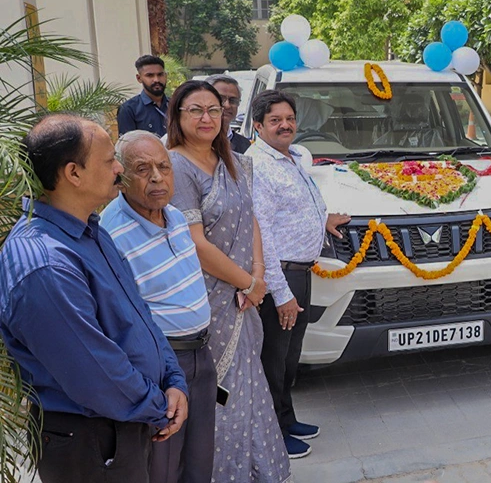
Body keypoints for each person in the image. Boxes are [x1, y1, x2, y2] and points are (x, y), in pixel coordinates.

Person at [0, 115, 188, 483]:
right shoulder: (44, 262)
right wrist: (159, 405)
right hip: (91, 439)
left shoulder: (90, 231)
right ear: (73, 173)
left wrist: (173, 380)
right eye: (109, 160)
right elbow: (94, 371)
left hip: (126, 421)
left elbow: (140, 316)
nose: (119, 168)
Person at [166, 81, 291, 481]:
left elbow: (251, 217)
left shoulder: (236, 161)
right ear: (178, 117)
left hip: (244, 295)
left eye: (214, 110)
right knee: (220, 397)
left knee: (251, 385)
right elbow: (195, 242)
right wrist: (248, 284)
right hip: (209, 300)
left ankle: (259, 470)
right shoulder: (175, 166)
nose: (206, 118)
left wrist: (258, 273)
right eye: (195, 110)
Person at [99, 131, 216, 483]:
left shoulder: (176, 216)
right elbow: (117, 320)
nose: (157, 177)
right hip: (160, 366)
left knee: (199, 460)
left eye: (164, 167)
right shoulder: (110, 233)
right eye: (142, 168)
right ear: (120, 175)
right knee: (162, 466)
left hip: (200, 355)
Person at [249, 90, 351, 459]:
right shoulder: (258, 165)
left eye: (289, 118)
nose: (285, 125)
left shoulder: (289, 158)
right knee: (274, 358)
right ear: (258, 125)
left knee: (290, 357)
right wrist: (281, 293)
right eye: (275, 120)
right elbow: (261, 232)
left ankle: (287, 419)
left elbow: (289, 213)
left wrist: (322, 221)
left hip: (300, 271)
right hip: (280, 275)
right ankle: (273, 432)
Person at [118, 55, 169, 136]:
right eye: (150, 75)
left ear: (165, 76)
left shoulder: (175, 104)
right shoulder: (129, 109)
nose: (156, 80)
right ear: (139, 78)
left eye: (160, 74)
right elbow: (127, 145)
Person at [207, 74, 250, 154]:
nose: (227, 105)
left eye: (233, 100)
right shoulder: (193, 140)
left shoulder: (244, 145)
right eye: (220, 99)